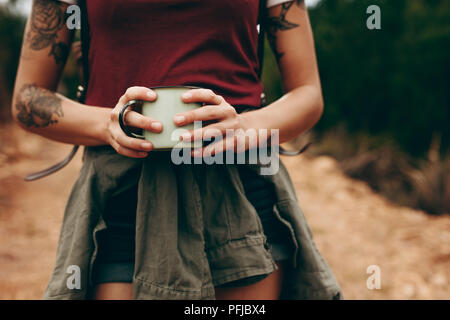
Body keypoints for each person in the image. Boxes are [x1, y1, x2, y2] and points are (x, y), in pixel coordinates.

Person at [12, 0, 342, 300]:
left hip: (241, 193)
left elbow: (308, 93)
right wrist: (106, 124)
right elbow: (28, 97)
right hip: (123, 197)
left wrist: (246, 127)